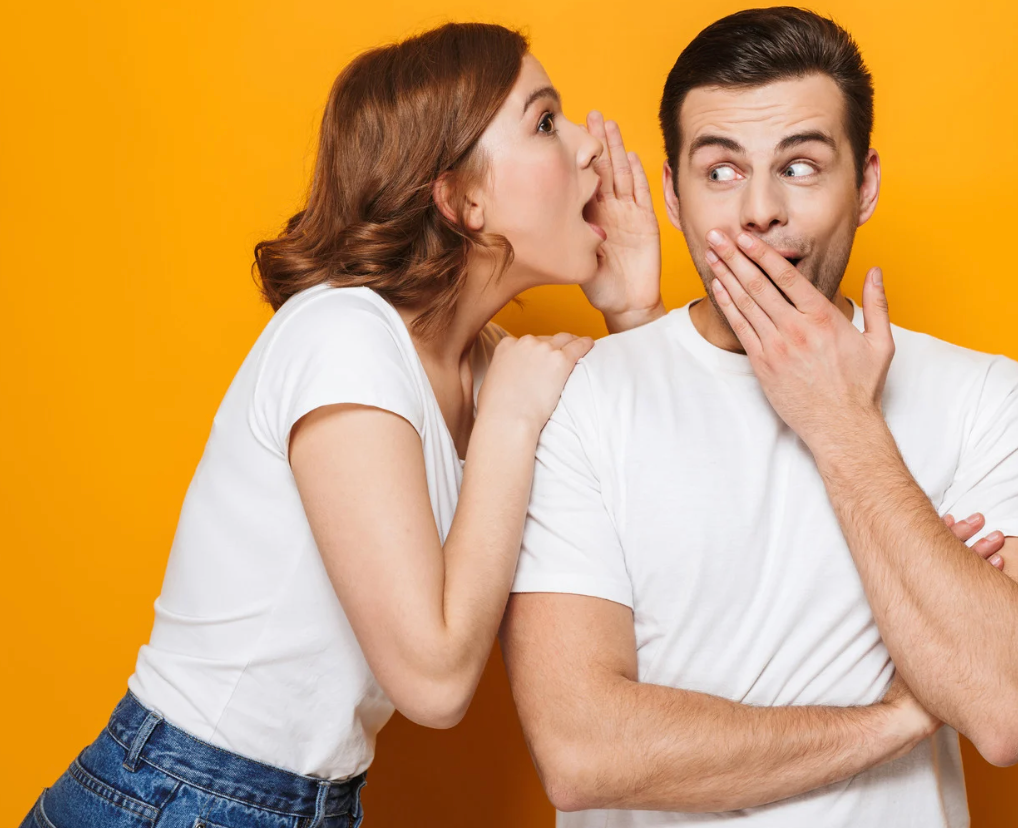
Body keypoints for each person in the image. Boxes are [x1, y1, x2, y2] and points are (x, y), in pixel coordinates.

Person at [21, 22, 665, 828]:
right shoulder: (343, 336)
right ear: (459, 198)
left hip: (295, 806)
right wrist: (508, 421)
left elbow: (660, 537)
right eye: (544, 121)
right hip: (180, 800)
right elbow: (433, 683)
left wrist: (634, 312)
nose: (589, 149)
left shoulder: (489, 369)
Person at [501, 7, 1018, 827]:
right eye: (722, 172)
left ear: (866, 183)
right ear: (673, 193)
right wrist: (903, 716)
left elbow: (1013, 708)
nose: (760, 211)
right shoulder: (581, 398)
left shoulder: (988, 397)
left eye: (802, 166)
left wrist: (841, 421)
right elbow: (582, 750)